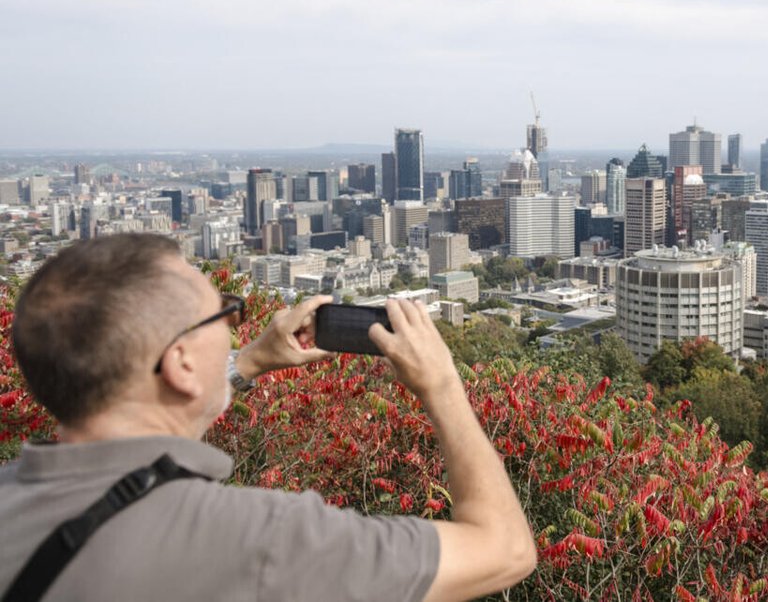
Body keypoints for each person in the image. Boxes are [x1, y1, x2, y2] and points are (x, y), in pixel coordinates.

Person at [0, 234, 536, 601]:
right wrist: (442, 383)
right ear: (180, 362)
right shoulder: (261, 540)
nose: (235, 323)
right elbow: (504, 551)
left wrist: (251, 361)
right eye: (222, 310)